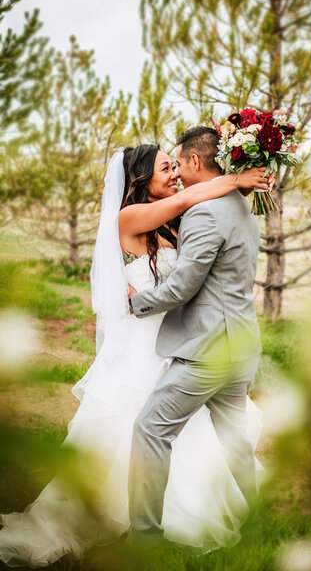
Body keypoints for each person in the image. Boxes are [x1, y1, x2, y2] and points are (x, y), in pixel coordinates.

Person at [0, 134, 272, 567]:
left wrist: (236, 186)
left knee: (173, 432)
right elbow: (194, 198)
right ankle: (133, 524)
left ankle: (168, 522)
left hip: (180, 339)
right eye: (166, 167)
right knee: (141, 428)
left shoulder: (173, 223)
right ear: (142, 177)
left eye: (175, 164)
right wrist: (237, 179)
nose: (174, 174)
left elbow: (199, 250)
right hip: (150, 342)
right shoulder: (132, 215)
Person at [127, 127, 268, 550]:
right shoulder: (240, 208)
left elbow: (183, 287)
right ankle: (258, 524)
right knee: (235, 442)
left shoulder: (205, 214)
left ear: (193, 162)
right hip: (240, 344)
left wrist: (135, 304)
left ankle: (145, 538)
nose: (176, 170)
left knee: (150, 430)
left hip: (208, 351)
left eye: (178, 162)